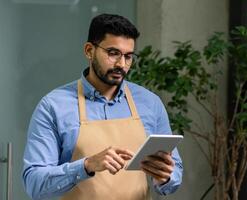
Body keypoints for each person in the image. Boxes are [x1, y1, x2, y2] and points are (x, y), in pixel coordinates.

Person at [22, 13, 183, 200]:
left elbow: (175, 172)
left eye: (128, 56)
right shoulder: (53, 107)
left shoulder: (150, 103)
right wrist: (87, 165)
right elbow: (34, 185)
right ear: (89, 50)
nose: (121, 64)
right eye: (113, 53)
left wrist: (165, 178)